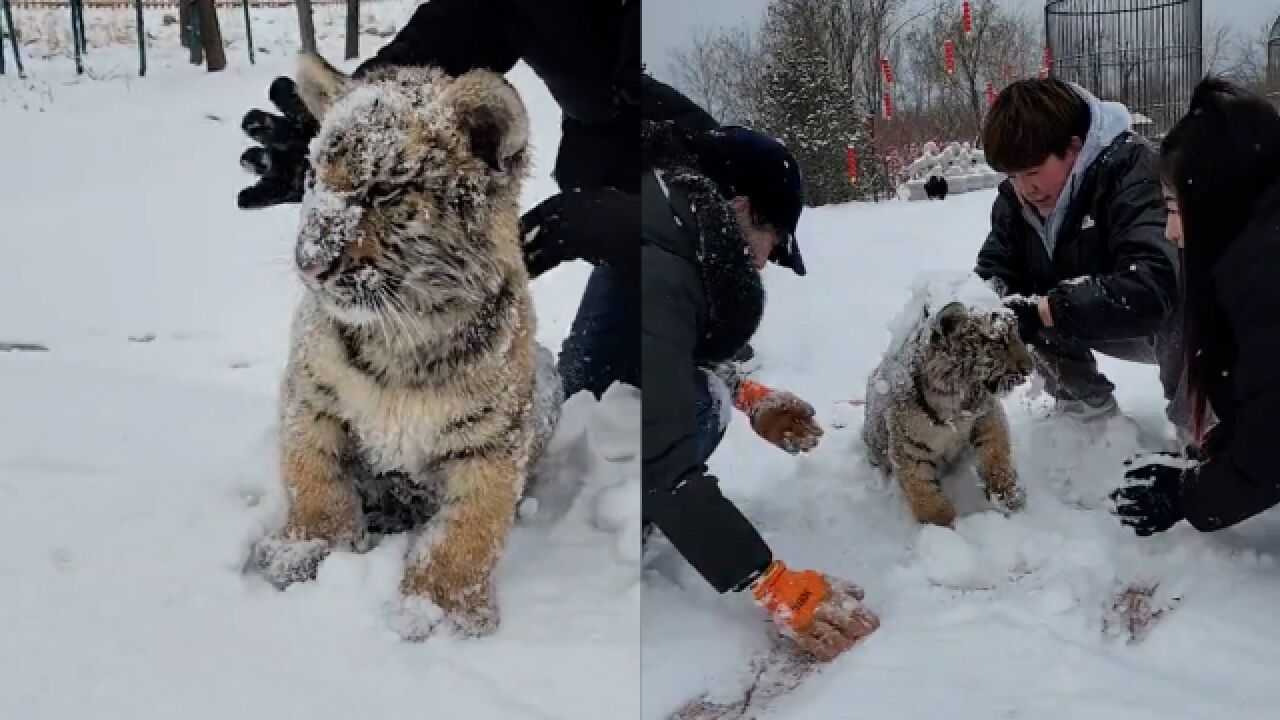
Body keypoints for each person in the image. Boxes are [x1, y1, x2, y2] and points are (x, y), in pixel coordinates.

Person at [236, 0, 640, 399]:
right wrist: (357, 136)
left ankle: (704, 375)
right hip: (620, 181)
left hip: (685, 227)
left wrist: (636, 224)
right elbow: (473, 18)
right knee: (588, 404)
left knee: (652, 426)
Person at [641, 74, 879, 662]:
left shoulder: (669, 215)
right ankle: (610, 526)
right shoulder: (660, 256)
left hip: (604, 426)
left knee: (704, 396)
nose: (767, 262)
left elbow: (665, 361)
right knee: (696, 406)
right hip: (591, 453)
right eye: (773, 241)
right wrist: (772, 583)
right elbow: (657, 434)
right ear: (740, 208)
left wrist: (748, 395)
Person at [1111, 78, 1280, 536]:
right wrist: (1223, 450)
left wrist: (1187, 496)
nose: (1170, 230)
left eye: (1175, 206)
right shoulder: (1256, 249)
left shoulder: (1264, 274)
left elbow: (1273, 444)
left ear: (1216, 196)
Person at [974, 78, 1183, 427]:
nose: (1026, 188)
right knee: (1017, 310)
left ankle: (1200, 434)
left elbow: (1156, 283)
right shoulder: (1016, 203)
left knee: (1188, 306)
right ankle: (1087, 419)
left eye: (1033, 172)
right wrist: (986, 311)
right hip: (1092, 319)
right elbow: (996, 272)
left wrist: (1051, 309)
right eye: (1013, 176)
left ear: (1074, 148)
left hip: (1170, 326)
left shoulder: (1132, 173)